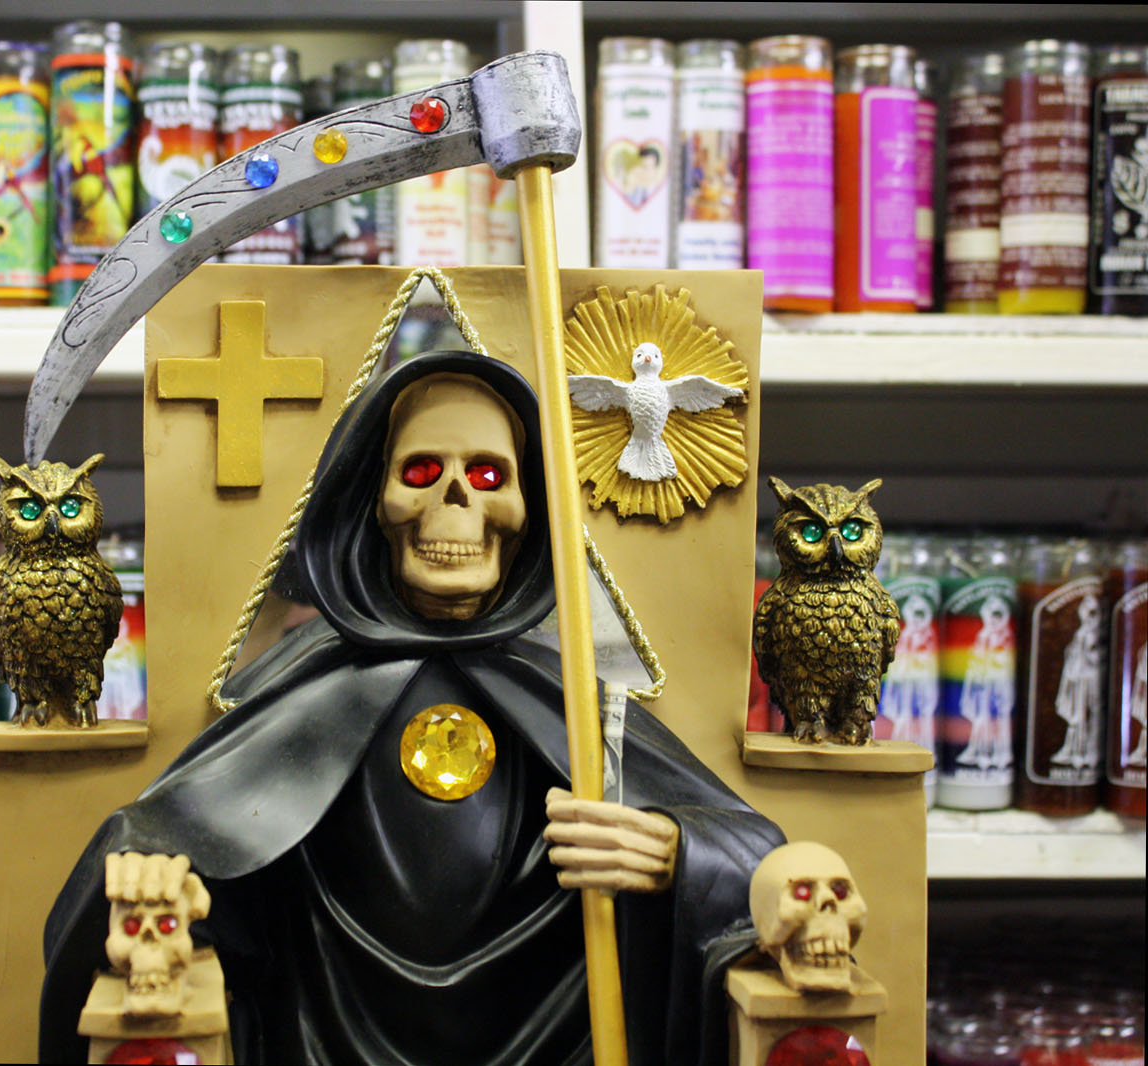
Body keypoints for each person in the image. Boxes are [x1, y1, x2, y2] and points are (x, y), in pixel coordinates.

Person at [39, 351, 783, 1065]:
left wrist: (677, 854)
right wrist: (154, 876)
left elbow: (763, 861)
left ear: (533, 511)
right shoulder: (310, 683)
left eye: (488, 477)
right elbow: (175, 850)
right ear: (372, 502)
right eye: (421, 474)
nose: (456, 500)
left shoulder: (571, 699)